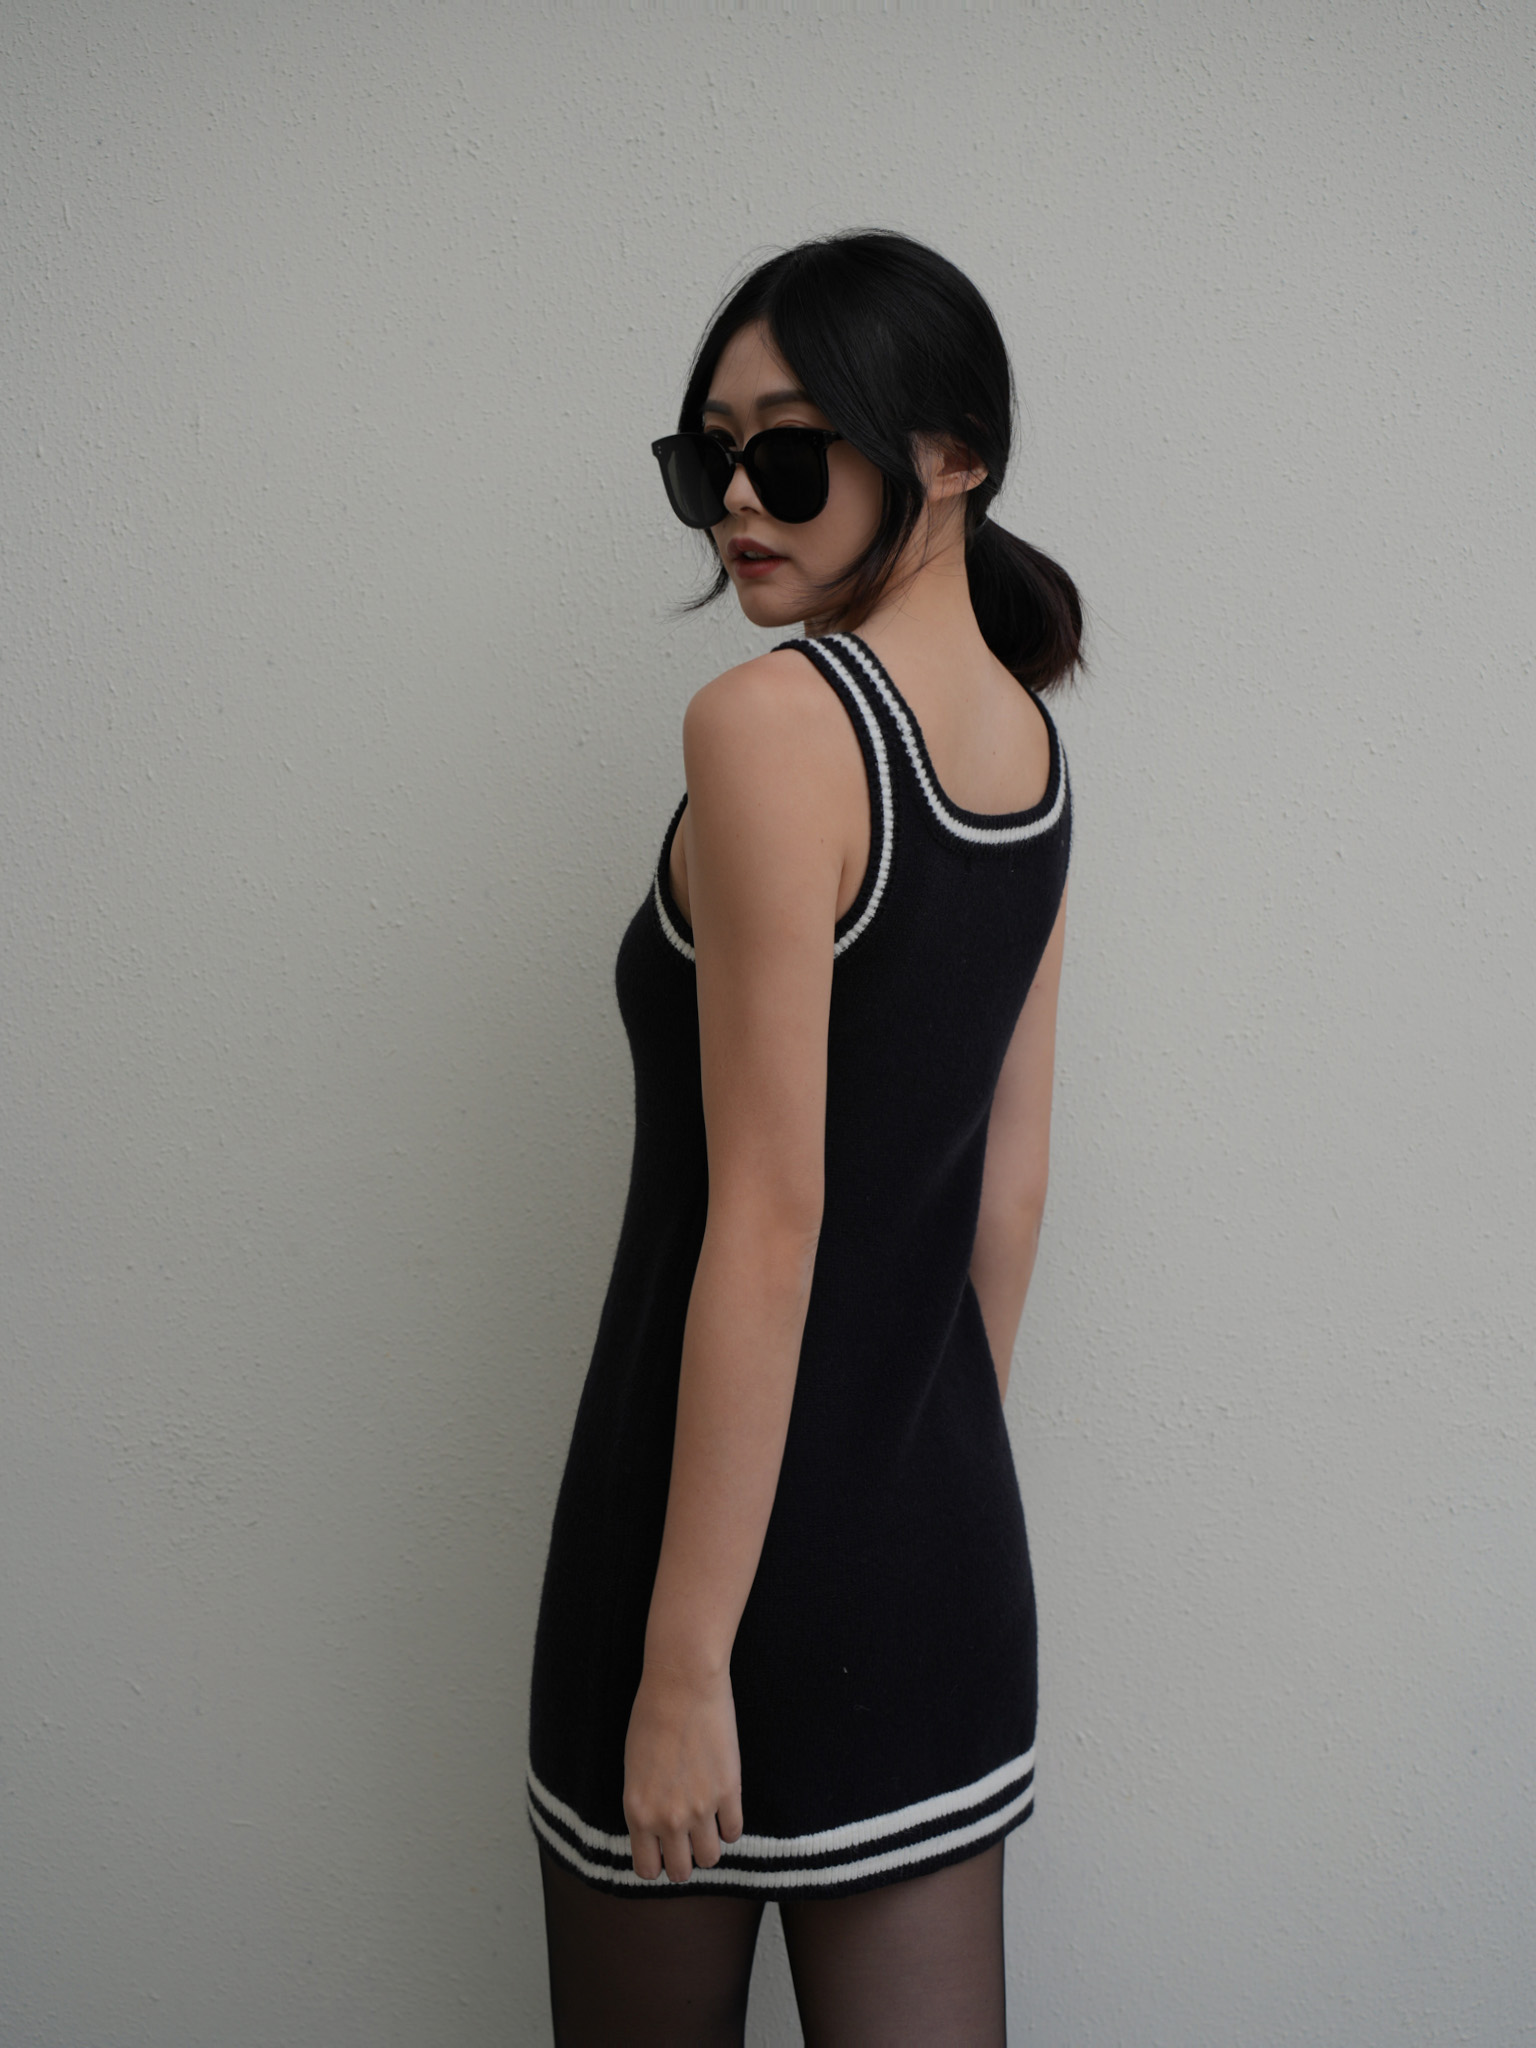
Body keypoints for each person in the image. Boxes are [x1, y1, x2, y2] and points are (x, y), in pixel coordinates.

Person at [527, 229, 1081, 2044]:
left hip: (692, 1565)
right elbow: (1008, 1196)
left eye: (785, 448)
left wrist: (685, 1662)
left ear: (954, 452)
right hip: (936, 1552)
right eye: (707, 460)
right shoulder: (1026, 743)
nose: (738, 507)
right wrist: (910, 1486)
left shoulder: (771, 724)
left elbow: (770, 1224)